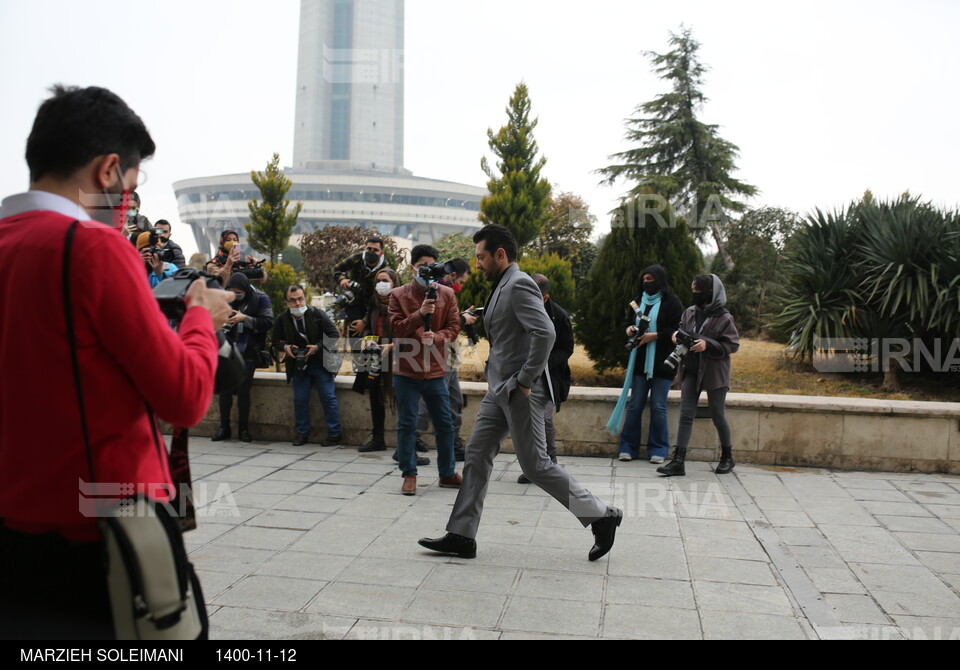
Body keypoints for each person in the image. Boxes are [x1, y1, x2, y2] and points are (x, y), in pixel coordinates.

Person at [0, 84, 233, 638]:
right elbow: (182, 396)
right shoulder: (94, 250)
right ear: (108, 171)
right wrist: (201, 317)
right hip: (96, 540)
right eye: (130, 187)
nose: (128, 204)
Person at [418, 225, 622, 561]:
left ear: (500, 254)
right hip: (499, 389)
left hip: (520, 391)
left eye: (482, 256)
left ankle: (601, 516)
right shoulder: (501, 285)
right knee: (477, 453)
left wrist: (526, 380)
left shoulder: (519, 282)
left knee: (536, 465)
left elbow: (545, 333)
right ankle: (461, 535)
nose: (478, 263)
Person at [388, 244, 462, 496]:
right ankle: (409, 474)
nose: (427, 272)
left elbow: (454, 326)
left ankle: (447, 473)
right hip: (406, 370)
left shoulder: (447, 294)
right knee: (407, 424)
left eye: (432, 266)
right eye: (422, 267)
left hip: (436, 370)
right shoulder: (398, 295)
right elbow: (396, 329)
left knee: (445, 424)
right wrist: (420, 315)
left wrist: (438, 337)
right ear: (412, 268)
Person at [658, 274, 740, 477]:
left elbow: (732, 345)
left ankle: (727, 457)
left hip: (714, 374)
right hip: (690, 370)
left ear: (711, 293)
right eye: (693, 289)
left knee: (717, 414)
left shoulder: (724, 317)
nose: (694, 294)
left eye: (698, 291)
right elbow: (680, 330)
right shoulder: (690, 312)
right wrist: (676, 336)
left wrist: (708, 344)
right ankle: (678, 461)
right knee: (686, 414)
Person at [608, 265, 683, 464]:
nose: (647, 282)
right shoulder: (637, 302)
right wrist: (630, 330)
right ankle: (627, 447)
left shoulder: (672, 302)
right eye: (644, 278)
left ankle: (658, 449)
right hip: (639, 362)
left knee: (658, 406)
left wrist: (654, 336)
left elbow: (677, 330)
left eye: (651, 278)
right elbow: (626, 323)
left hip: (663, 363)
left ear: (659, 280)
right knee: (635, 405)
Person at [414, 257, 477, 461]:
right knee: (430, 403)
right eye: (462, 281)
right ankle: (409, 442)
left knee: (454, 403)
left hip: (449, 357)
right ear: (452, 275)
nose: (461, 286)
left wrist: (462, 317)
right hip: (439, 357)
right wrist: (462, 319)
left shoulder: (446, 293)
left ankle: (454, 444)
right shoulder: (435, 292)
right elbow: (435, 326)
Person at [517, 273, 574, 484]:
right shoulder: (518, 310)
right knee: (526, 422)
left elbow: (567, 348)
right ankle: (533, 466)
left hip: (549, 377)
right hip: (522, 373)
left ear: (545, 297)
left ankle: (550, 461)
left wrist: (544, 362)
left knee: (545, 419)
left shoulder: (559, 316)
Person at [273, 285, 343, 447]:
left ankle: (335, 433)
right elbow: (276, 340)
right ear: (286, 302)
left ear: (305, 299)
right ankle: (302, 433)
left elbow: (333, 334)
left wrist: (317, 347)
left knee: (328, 397)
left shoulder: (316, 314)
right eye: (293, 300)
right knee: (300, 399)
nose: (297, 303)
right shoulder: (283, 319)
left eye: (300, 299)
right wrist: (286, 347)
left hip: (320, 362)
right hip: (298, 365)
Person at [213, 273, 274, 443]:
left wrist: (244, 319)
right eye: (232, 291)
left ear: (246, 289)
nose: (236, 295)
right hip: (227, 350)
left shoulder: (261, 298)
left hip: (249, 351)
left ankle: (243, 429)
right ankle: (223, 428)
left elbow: (268, 322)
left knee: (243, 391)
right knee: (224, 391)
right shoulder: (225, 298)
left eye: (239, 292)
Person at [356, 267, 399, 453]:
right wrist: (368, 339)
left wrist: (392, 346)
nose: (381, 285)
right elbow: (368, 325)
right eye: (378, 281)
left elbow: (410, 330)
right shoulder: (374, 302)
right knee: (375, 396)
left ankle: (412, 439)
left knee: (402, 399)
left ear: (394, 283)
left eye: (385, 281)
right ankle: (378, 438)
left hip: (399, 356)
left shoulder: (402, 301)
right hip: (376, 356)